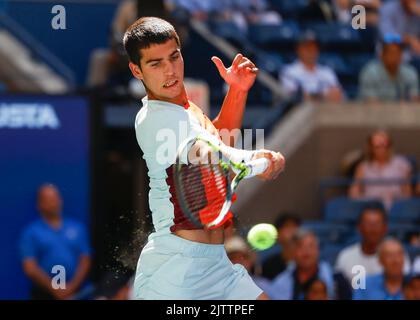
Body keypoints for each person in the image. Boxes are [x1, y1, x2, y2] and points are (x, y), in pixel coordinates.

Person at [123, 17, 285, 300]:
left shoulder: (186, 109)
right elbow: (213, 157)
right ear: (136, 70)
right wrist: (258, 162)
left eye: (174, 57)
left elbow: (220, 141)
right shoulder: (154, 119)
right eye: (156, 63)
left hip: (217, 265)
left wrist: (237, 90)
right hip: (176, 271)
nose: (170, 70)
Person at [19, 184, 91, 300]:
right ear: (40, 204)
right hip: (44, 294)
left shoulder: (77, 228)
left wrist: (71, 287)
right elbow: (30, 267)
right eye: (49, 200)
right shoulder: (31, 232)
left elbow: (85, 259)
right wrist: (55, 289)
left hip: (77, 293)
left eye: (55, 198)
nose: (54, 203)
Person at [335, 202, 411, 283]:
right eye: (368, 224)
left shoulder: (397, 254)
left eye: (377, 224)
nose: (373, 229)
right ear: (359, 227)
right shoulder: (345, 257)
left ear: (385, 228)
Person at [349, 130, 412, 210]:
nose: (381, 149)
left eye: (384, 145)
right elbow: (355, 191)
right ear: (371, 147)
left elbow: (407, 192)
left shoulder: (402, 164)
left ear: (390, 146)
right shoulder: (363, 166)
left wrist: (402, 207)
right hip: (371, 208)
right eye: (377, 146)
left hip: (396, 207)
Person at [267, 229, 335, 300]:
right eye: (300, 246)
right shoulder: (280, 283)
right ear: (293, 251)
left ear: (318, 250)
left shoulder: (334, 277)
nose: (306, 252)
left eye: (310, 246)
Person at [280, 30, 343, 103]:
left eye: (314, 47)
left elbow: (337, 95)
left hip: (328, 111)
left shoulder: (327, 71)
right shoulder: (289, 71)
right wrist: (324, 95)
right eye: (307, 47)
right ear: (298, 49)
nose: (311, 51)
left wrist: (312, 96)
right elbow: (295, 97)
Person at [358, 34, 419, 102]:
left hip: (403, 111)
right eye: (392, 53)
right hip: (372, 112)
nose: (396, 56)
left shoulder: (410, 73)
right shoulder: (370, 73)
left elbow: (415, 100)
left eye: (399, 52)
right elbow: (371, 102)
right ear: (382, 55)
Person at [261, 213, 301, 280]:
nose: (292, 231)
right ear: (278, 234)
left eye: (295, 226)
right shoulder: (269, 265)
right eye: (287, 226)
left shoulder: (308, 262)